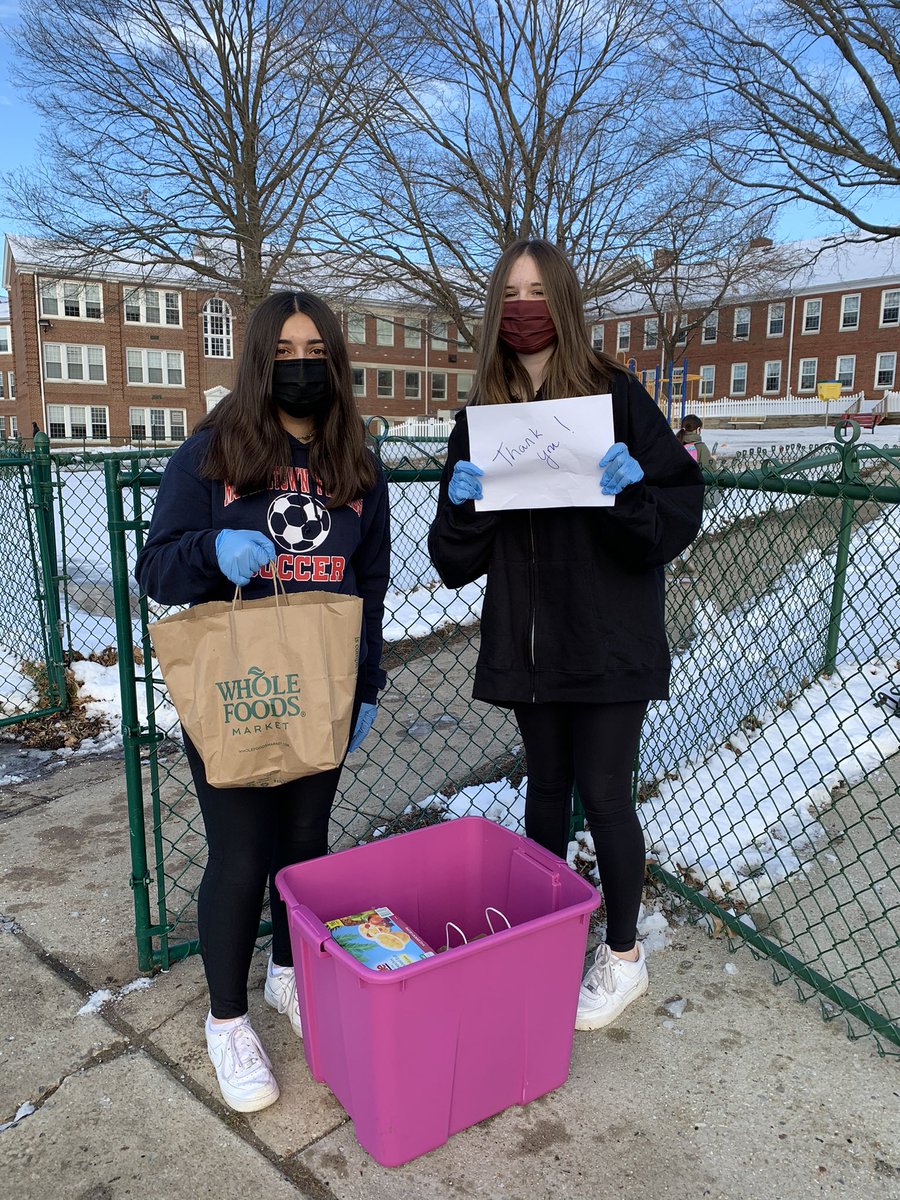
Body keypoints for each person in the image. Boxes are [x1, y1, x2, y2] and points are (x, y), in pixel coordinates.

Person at [428, 240, 703, 1031]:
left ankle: (622, 959)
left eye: (539, 291)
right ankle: (545, 940)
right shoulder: (483, 415)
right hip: (531, 648)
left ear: (566, 302)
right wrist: (461, 504)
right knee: (544, 795)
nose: (524, 306)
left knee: (607, 796)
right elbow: (453, 563)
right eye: (511, 292)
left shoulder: (615, 398)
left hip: (610, 644)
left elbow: (675, 518)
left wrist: (633, 494)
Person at [135, 291, 390, 1112]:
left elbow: (371, 584)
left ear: (337, 359)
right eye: (283, 350)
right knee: (243, 855)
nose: (301, 364)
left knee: (307, 841)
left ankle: (288, 973)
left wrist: (368, 685)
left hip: (322, 687)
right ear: (257, 358)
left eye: (315, 348)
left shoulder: (357, 457)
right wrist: (214, 546)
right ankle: (226, 1020)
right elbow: (156, 570)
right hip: (237, 687)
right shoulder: (214, 450)